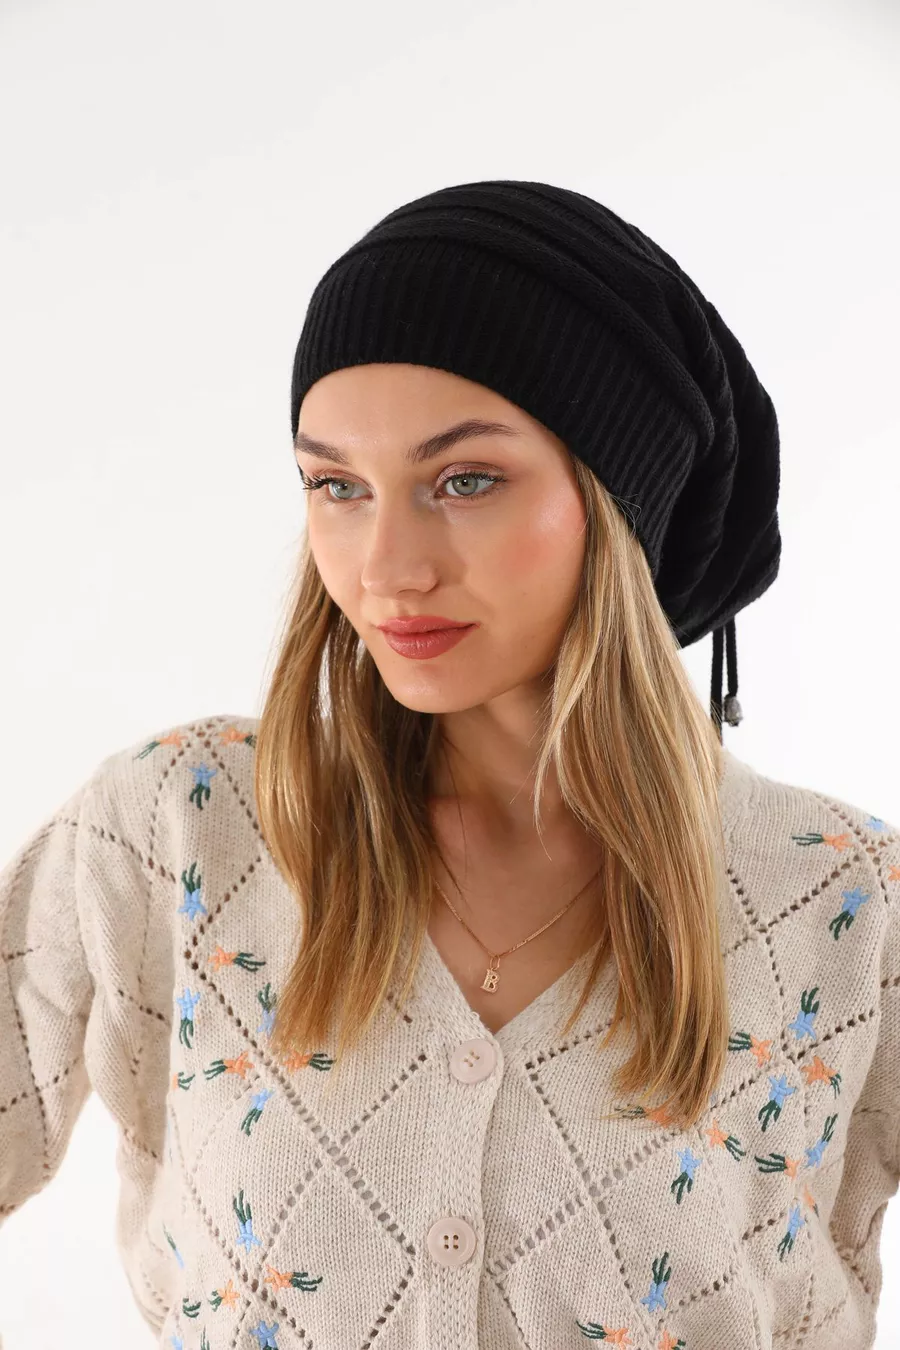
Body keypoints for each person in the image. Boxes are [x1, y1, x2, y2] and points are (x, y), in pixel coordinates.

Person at [1, 180, 897, 1350]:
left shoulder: (837, 900)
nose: (387, 567)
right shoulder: (179, 830)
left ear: (617, 503)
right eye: (337, 486)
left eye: (465, 481)